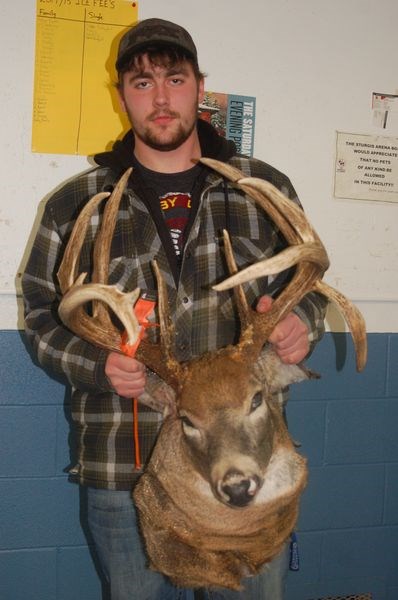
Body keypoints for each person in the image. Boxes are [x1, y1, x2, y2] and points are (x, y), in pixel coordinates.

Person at [22, 17, 327, 600]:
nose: (160, 99)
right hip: (123, 460)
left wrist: (299, 324)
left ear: (198, 87)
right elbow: (40, 313)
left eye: (175, 79)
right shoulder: (76, 205)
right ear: (122, 98)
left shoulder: (261, 189)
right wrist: (97, 365)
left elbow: (306, 285)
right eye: (142, 84)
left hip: (246, 463)